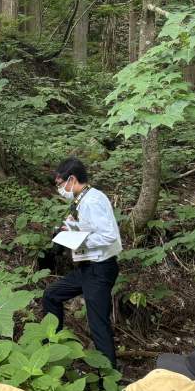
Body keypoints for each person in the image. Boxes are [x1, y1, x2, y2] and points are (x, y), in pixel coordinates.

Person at [42, 157, 122, 368]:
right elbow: (81, 223)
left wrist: (77, 240)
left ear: (72, 179)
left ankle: (110, 374)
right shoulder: (83, 197)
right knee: (52, 295)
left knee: (98, 324)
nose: (60, 189)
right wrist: (64, 231)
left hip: (100, 269)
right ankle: (52, 345)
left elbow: (109, 236)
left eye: (60, 185)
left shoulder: (93, 201)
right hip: (88, 269)